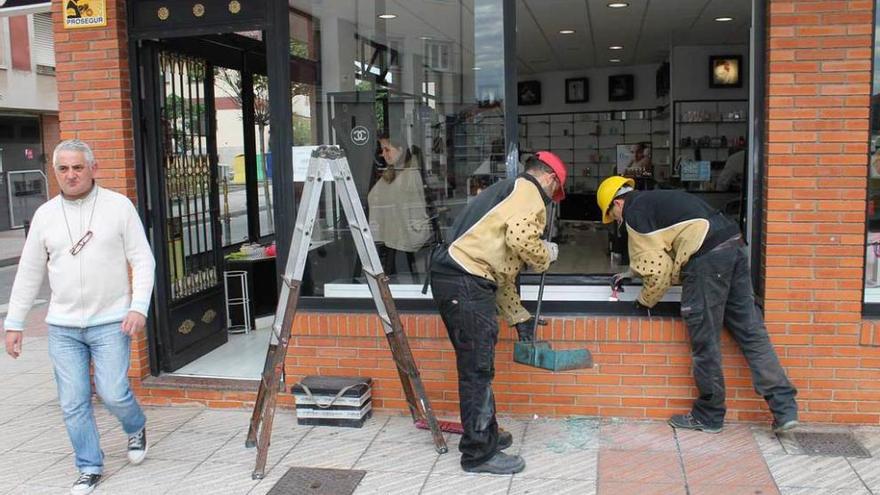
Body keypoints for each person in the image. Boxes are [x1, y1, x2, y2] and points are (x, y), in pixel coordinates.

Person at [3, 139, 156, 495]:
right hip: (62, 326)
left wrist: (138, 306)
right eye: (63, 168)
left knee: (113, 392)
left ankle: (135, 426)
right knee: (73, 401)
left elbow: (143, 259)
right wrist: (14, 323)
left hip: (110, 320)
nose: (71, 175)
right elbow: (28, 273)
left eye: (77, 167)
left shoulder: (118, 207)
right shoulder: (45, 216)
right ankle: (89, 465)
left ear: (93, 168)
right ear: (54, 172)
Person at [596, 176, 798, 434]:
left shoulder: (634, 213)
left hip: (707, 260)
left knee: (705, 341)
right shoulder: (654, 201)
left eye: (611, 214)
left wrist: (643, 301)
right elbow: (666, 243)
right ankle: (784, 409)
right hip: (733, 247)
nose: (616, 221)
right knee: (751, 332)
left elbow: (658, 272)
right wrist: (631, 274)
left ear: (617, 203)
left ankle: (710, 415)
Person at [429, 151, 566, 474]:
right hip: (465, 281)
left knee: (478, 365)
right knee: (477, 369)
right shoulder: (529, 192)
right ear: (549, 178)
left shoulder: (508, 193)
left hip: (460, 280)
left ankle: (484, 434)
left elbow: (501, 274)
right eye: (554, 193)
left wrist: (520, 318)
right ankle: (479, 454)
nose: (550, 202)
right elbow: (521, 239)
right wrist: (545, 253)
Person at [368, 133, 433, 276]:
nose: (383, 154)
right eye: (382, 150)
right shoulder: (392, 172)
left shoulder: (410, 174)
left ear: (401, 150)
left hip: (404, 237)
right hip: (394, 236)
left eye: (387, 149)